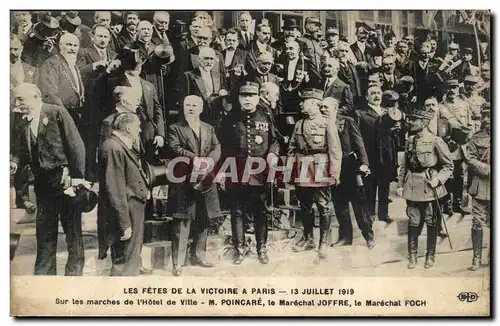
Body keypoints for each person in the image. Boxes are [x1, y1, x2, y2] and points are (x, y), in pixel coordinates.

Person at [10, 83, 87, 275]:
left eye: (21, 99)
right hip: (42, 186)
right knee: (44, 233)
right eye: (15, 99)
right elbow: (20, 150)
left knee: (72, 233)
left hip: (64, 181)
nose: (16, 103)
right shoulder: (21, 121)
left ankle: (74, 277)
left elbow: (76, 145)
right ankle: (44, 277)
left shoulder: (56, 113)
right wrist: (14, 162)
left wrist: (77, 178)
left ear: (36, 97)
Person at [219, 82, 279, 265]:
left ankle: (262, 248)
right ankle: (240, 249)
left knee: (260, 210)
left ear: (257, 98)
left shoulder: (266, 115)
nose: (247, 99)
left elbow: (275, 140)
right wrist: (222, 171)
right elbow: (222, 146)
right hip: (236, 169)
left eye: (251, 96)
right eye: (244, 96)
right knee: (237, 210)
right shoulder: (230, 118)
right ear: (239, 98)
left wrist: (272, 153)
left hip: (259, 171)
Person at [166, 95, 222, 276]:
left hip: (205, 178)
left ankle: (199, 255)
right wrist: (195, 159)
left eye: (194, 106)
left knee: (204, 217)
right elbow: (174, 147)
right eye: (187, 105)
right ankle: (178, 262)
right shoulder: (175, 128)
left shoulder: (209, 128)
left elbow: (217, 147)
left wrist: (209, 162)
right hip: (184, 179)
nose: (190, 108)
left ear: (201, 109)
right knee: (182, 220)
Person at [397, 105, 453, 269]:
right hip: (412, 186)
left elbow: (448, 166)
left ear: (425, 122)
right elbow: (404, 166)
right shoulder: (410, 140)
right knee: (413, 221)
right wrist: (400, 184)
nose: (410, 122)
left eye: (414, 120)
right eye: (410, 119)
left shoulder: (436, 141)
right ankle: (412, 255)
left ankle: (430, 255)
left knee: (431, 221)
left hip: (429, 187)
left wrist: (439, 180)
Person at [288, 89, 342, 258]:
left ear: (313, 103)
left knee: (323, 206)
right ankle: (308, 238)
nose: (300, 104)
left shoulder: (327, 123)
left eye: (303, 101)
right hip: (303, 167)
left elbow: (335, 150)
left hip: (321, 167)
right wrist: (290, 171)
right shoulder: (299, 124)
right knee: (304, 206)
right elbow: (291, 149)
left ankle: (322, 243)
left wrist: (335, 172)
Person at [98, 112, 150, 276]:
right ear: (128, 128)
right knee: (125, 261)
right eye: (138, 126)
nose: (140, 130)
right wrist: (124, 224)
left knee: (130, 258)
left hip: (132, 209)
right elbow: (115, 188)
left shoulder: (119, 145)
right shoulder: (113, 147)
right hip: (126, 211)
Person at [320, 97, 373, 249]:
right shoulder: (320, 124)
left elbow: (359, 143)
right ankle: (345, 237)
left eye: (326, 107)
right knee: (339, 204)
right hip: (332, 168)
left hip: (350, 166)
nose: (323, 109)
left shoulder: (347, 121)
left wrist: (364, 163)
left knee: (359, 204)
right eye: (321, 107)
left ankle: (368, 236)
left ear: (335, 108)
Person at [466, 104, 490, 271]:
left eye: (490, 115)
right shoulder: (476, 137)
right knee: (477, 223)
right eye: (484, 116)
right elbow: (471, 159)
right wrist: (489, 170)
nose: (486, 119)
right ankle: (476, 258)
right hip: (481, 185)